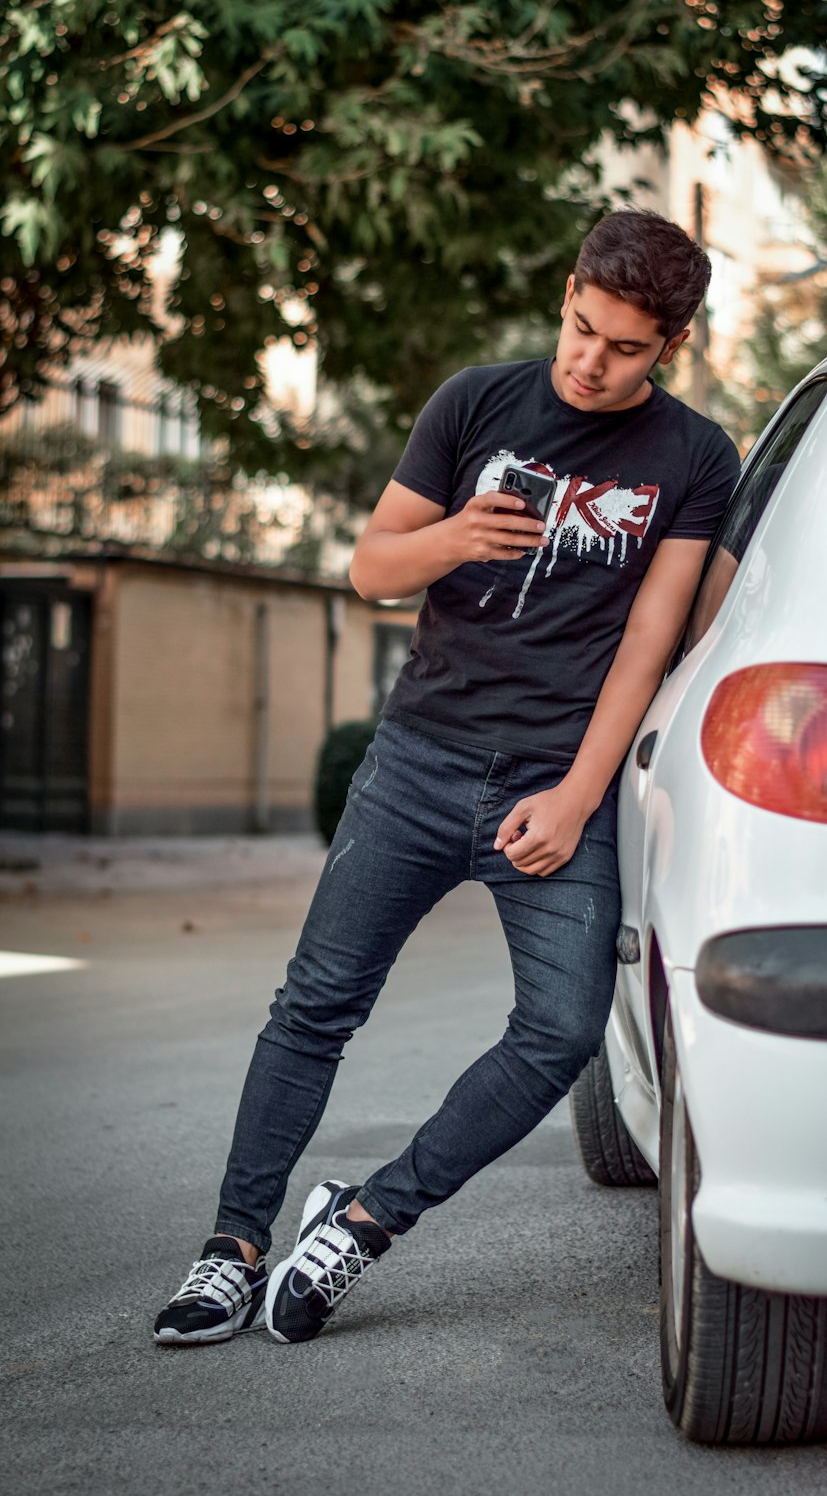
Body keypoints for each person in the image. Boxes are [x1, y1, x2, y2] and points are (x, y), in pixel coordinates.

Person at [154, 209, 740, 1347]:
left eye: (623, 348)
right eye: (580, 328)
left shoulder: (691, 458)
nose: (589, 360)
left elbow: (650, 637)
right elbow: (373, 566)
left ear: (667, 346)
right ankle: (230, 1246)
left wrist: (576, 797)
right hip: (417, 762)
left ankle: (363, 1222)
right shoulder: (475, 402)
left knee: (563, 1027)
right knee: (316, 1006)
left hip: (552, 782)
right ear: (567, 293)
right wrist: (455, 540)